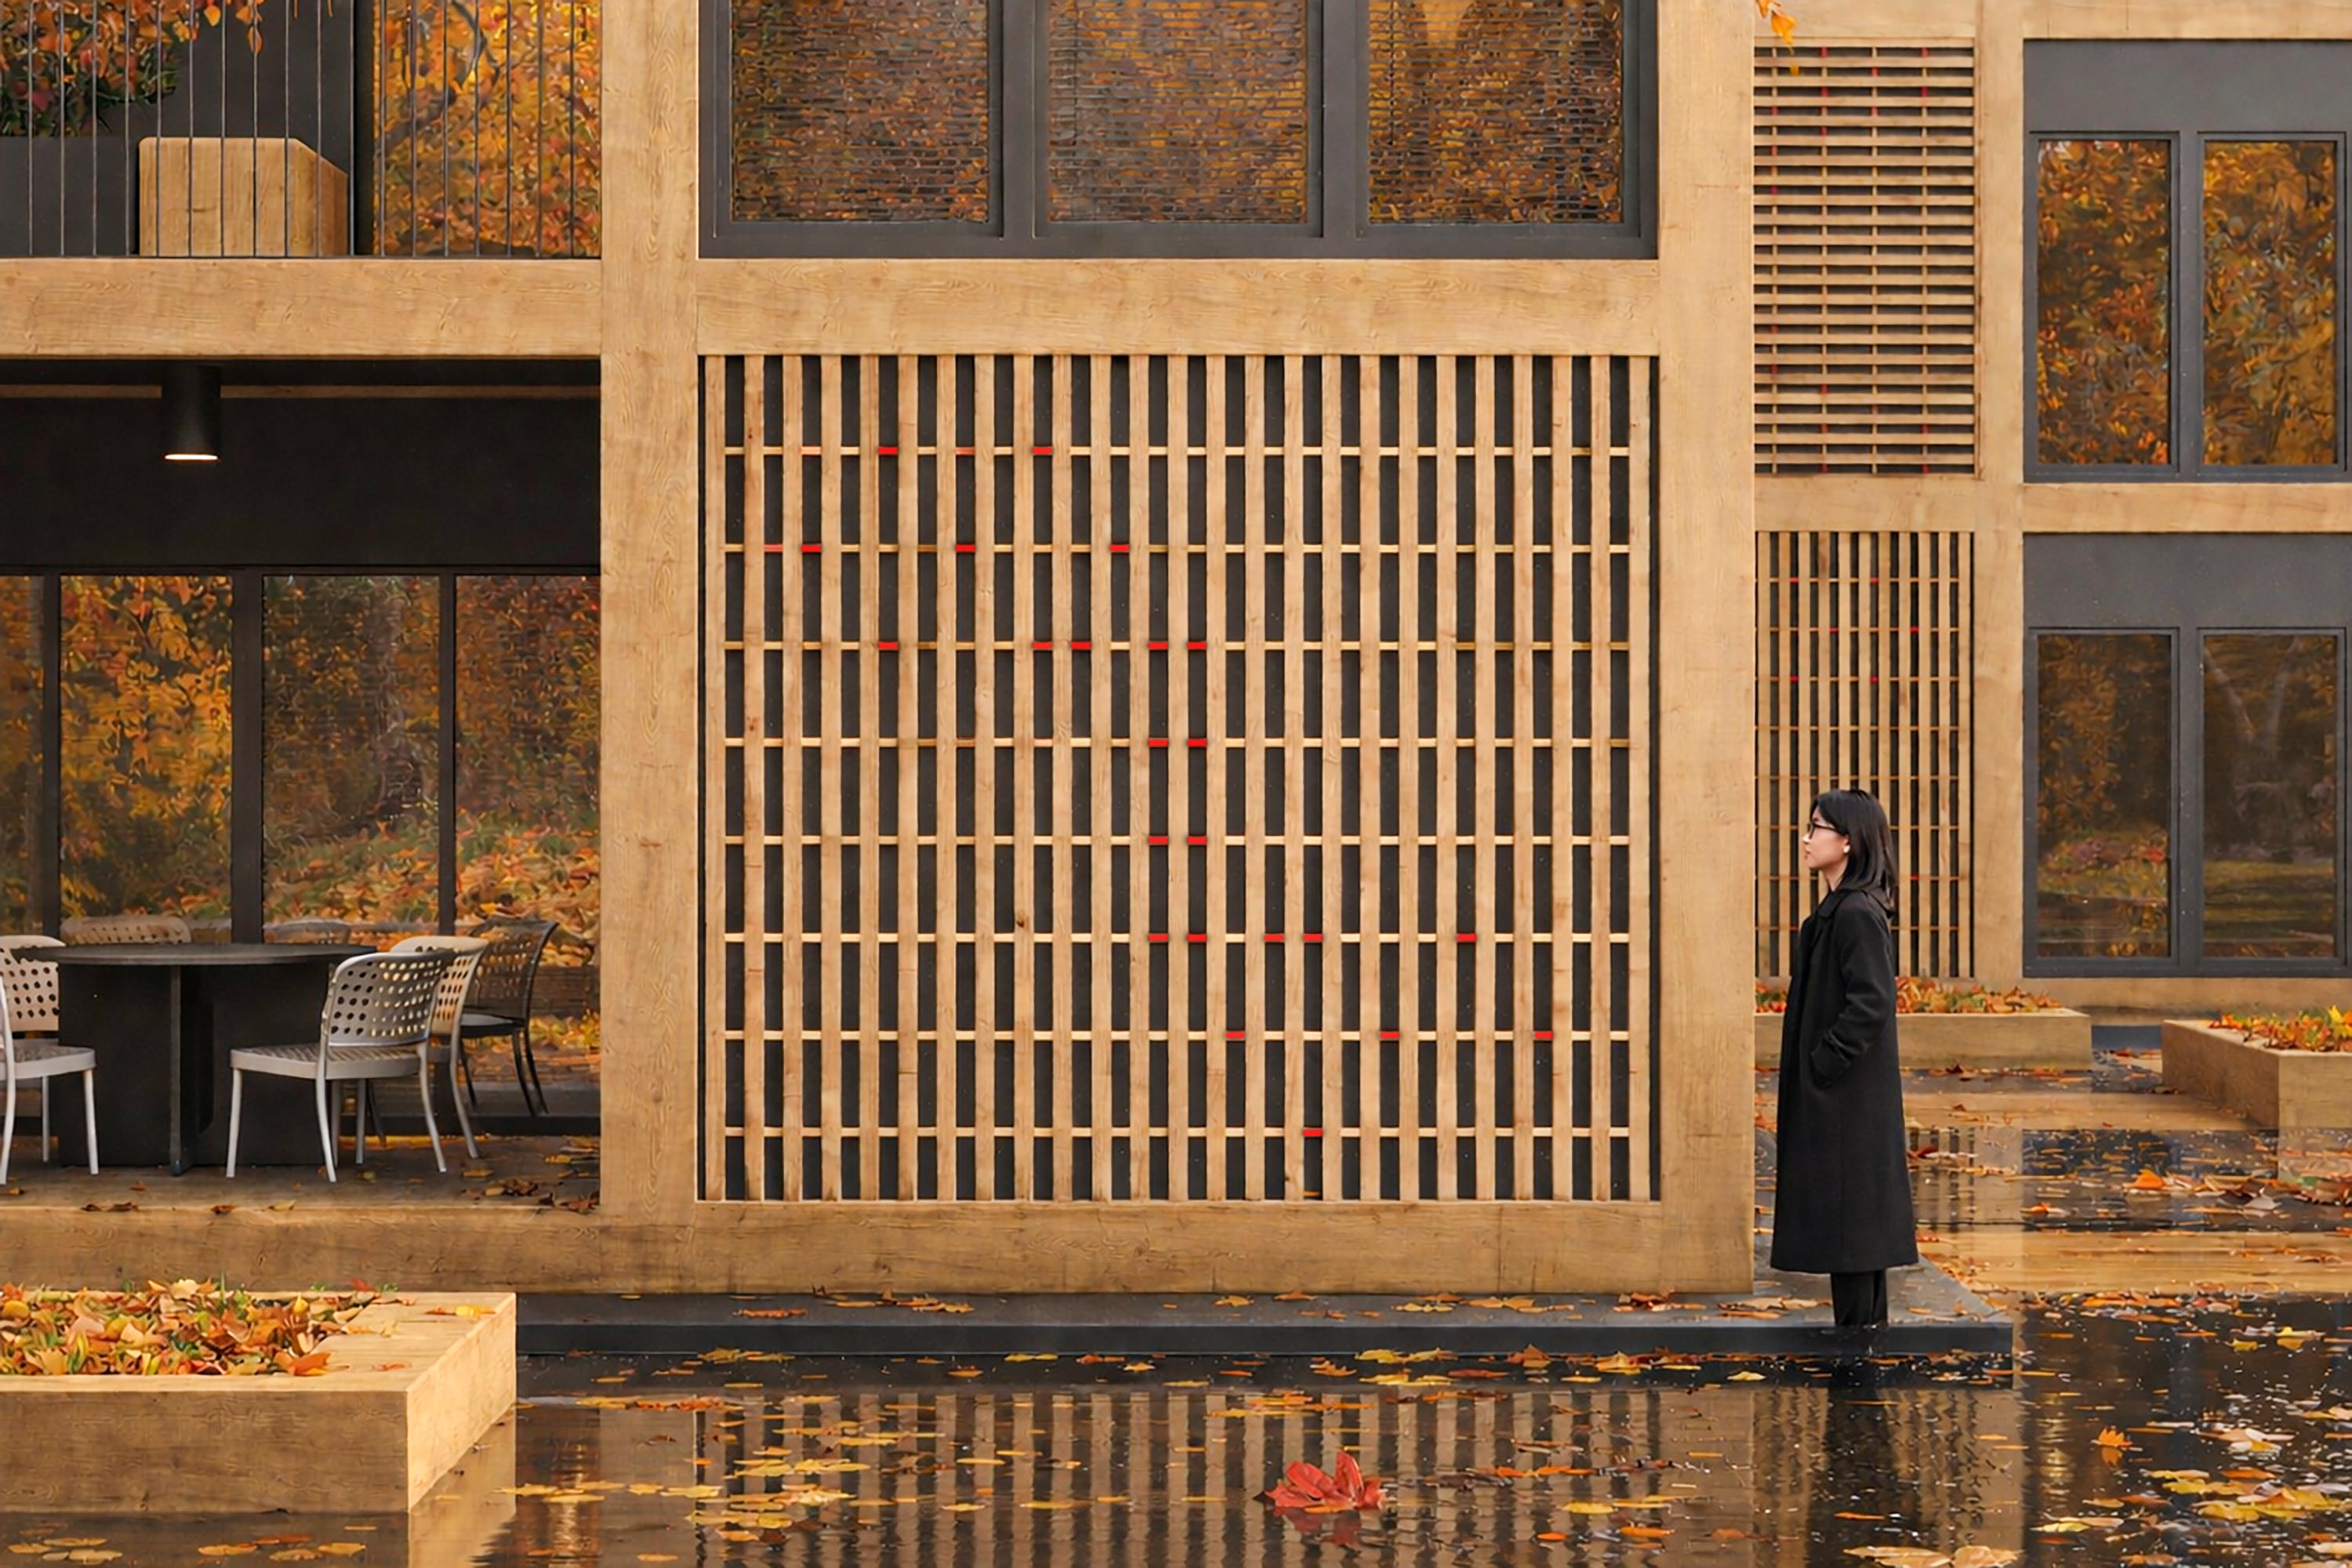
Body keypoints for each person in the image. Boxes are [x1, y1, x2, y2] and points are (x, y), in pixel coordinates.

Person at [1769, 787, 1917, 1333]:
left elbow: (1872, 1002)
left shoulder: (1855, 914)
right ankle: (1862, 1343)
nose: (1806, 838)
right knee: (1852, 1231)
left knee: (1853, 1228)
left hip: (1847, 1100)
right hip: (1842, 1097)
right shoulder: (1839, 913)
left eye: (1817, 827)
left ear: (1849, 841)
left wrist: (1823, 1063)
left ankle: (1859, 1350)